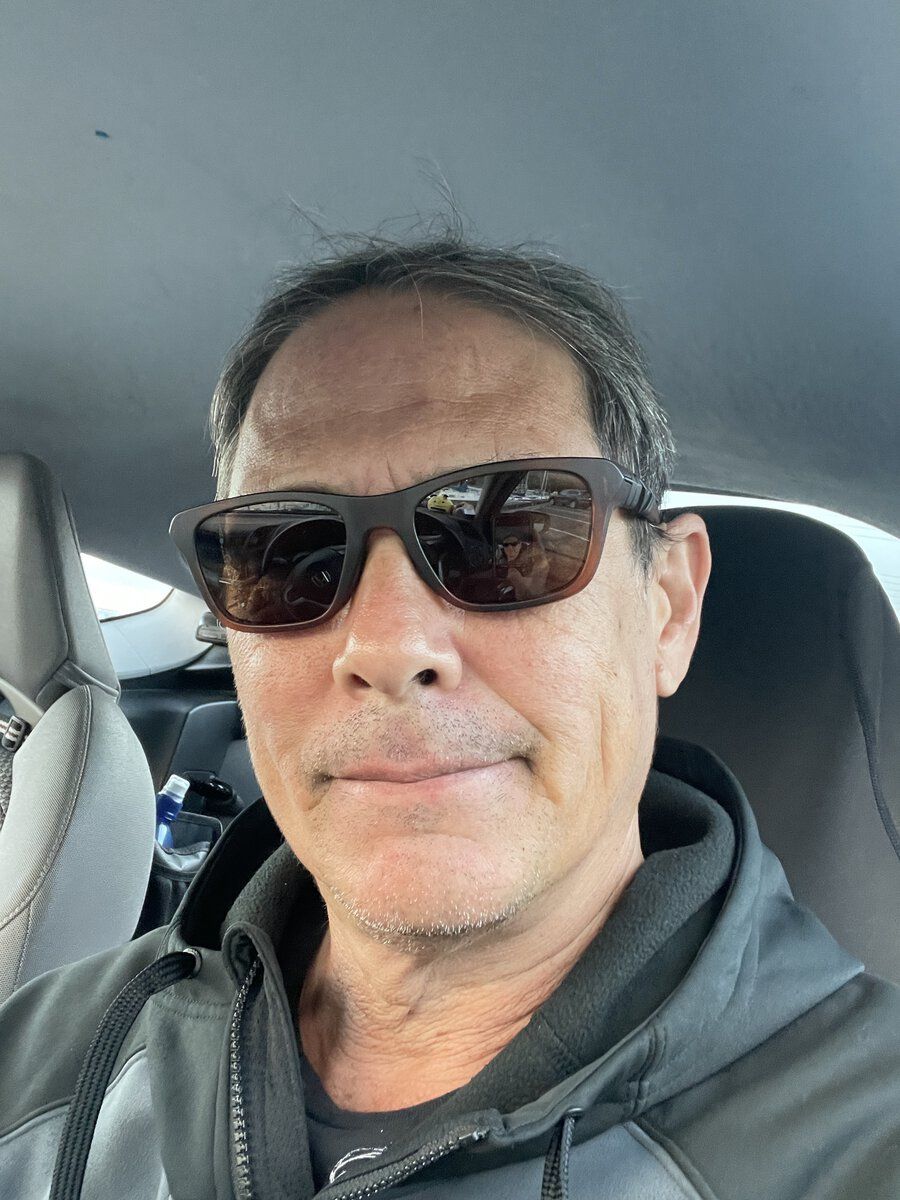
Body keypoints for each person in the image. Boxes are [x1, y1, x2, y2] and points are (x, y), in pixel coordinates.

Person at [1, 231, 898, 1200]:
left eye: (505, 536)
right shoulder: (39, 1067)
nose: (386, 644)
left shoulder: (862, 1142)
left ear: (669, 608)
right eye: (290, 553)